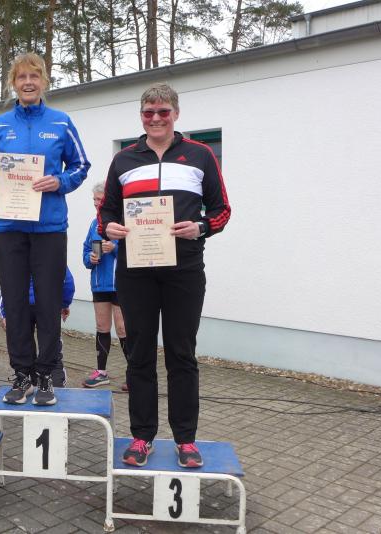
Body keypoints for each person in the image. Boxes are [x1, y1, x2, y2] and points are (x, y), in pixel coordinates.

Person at [98, 83, 231, 468]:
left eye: (163, 112)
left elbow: (222, 210)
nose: (155, 119)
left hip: (184, 271)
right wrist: (109, 228)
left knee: (181, 353)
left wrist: (200, 227)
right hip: (135, 271)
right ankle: (142, 437)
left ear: (176, 114)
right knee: (139, 354)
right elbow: (106, 212)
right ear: (141, 116)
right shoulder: (124, 159)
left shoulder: (200, 155)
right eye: (148, 112)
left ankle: (185, 439)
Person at [0, 52, 90, 406]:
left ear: (44, 81)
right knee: (14, 304)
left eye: (34, 76)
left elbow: (81, 165)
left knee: (48, 303)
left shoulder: (61, 122)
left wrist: (59, 181)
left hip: (49, 228)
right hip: (9, 228)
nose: (28, 82)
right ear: (13, 83)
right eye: (22, 77)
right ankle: (22, 374)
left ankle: (46, 376)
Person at [82, 181, 129, 390]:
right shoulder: (94, 224)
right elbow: (86, 251)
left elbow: (134, 251)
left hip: (120, 284)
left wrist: (115, 248)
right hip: (99, 284)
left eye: (99, 199)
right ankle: (101, 373)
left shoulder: (122, 222)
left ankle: (134, 373)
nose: (95, 203)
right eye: (93, 199)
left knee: (123, 328)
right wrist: (90, 258)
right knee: (102, 327)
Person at [0, 267, 75, 393]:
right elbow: (68, 281)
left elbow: (7, 284)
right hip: (47, 304)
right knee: (51, 345)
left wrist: (5, 312)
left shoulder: (18, 257)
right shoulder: (51, 256)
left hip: (21, 304)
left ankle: (29, 380)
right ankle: (55, 383)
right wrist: (64, 304)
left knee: (24, 345)